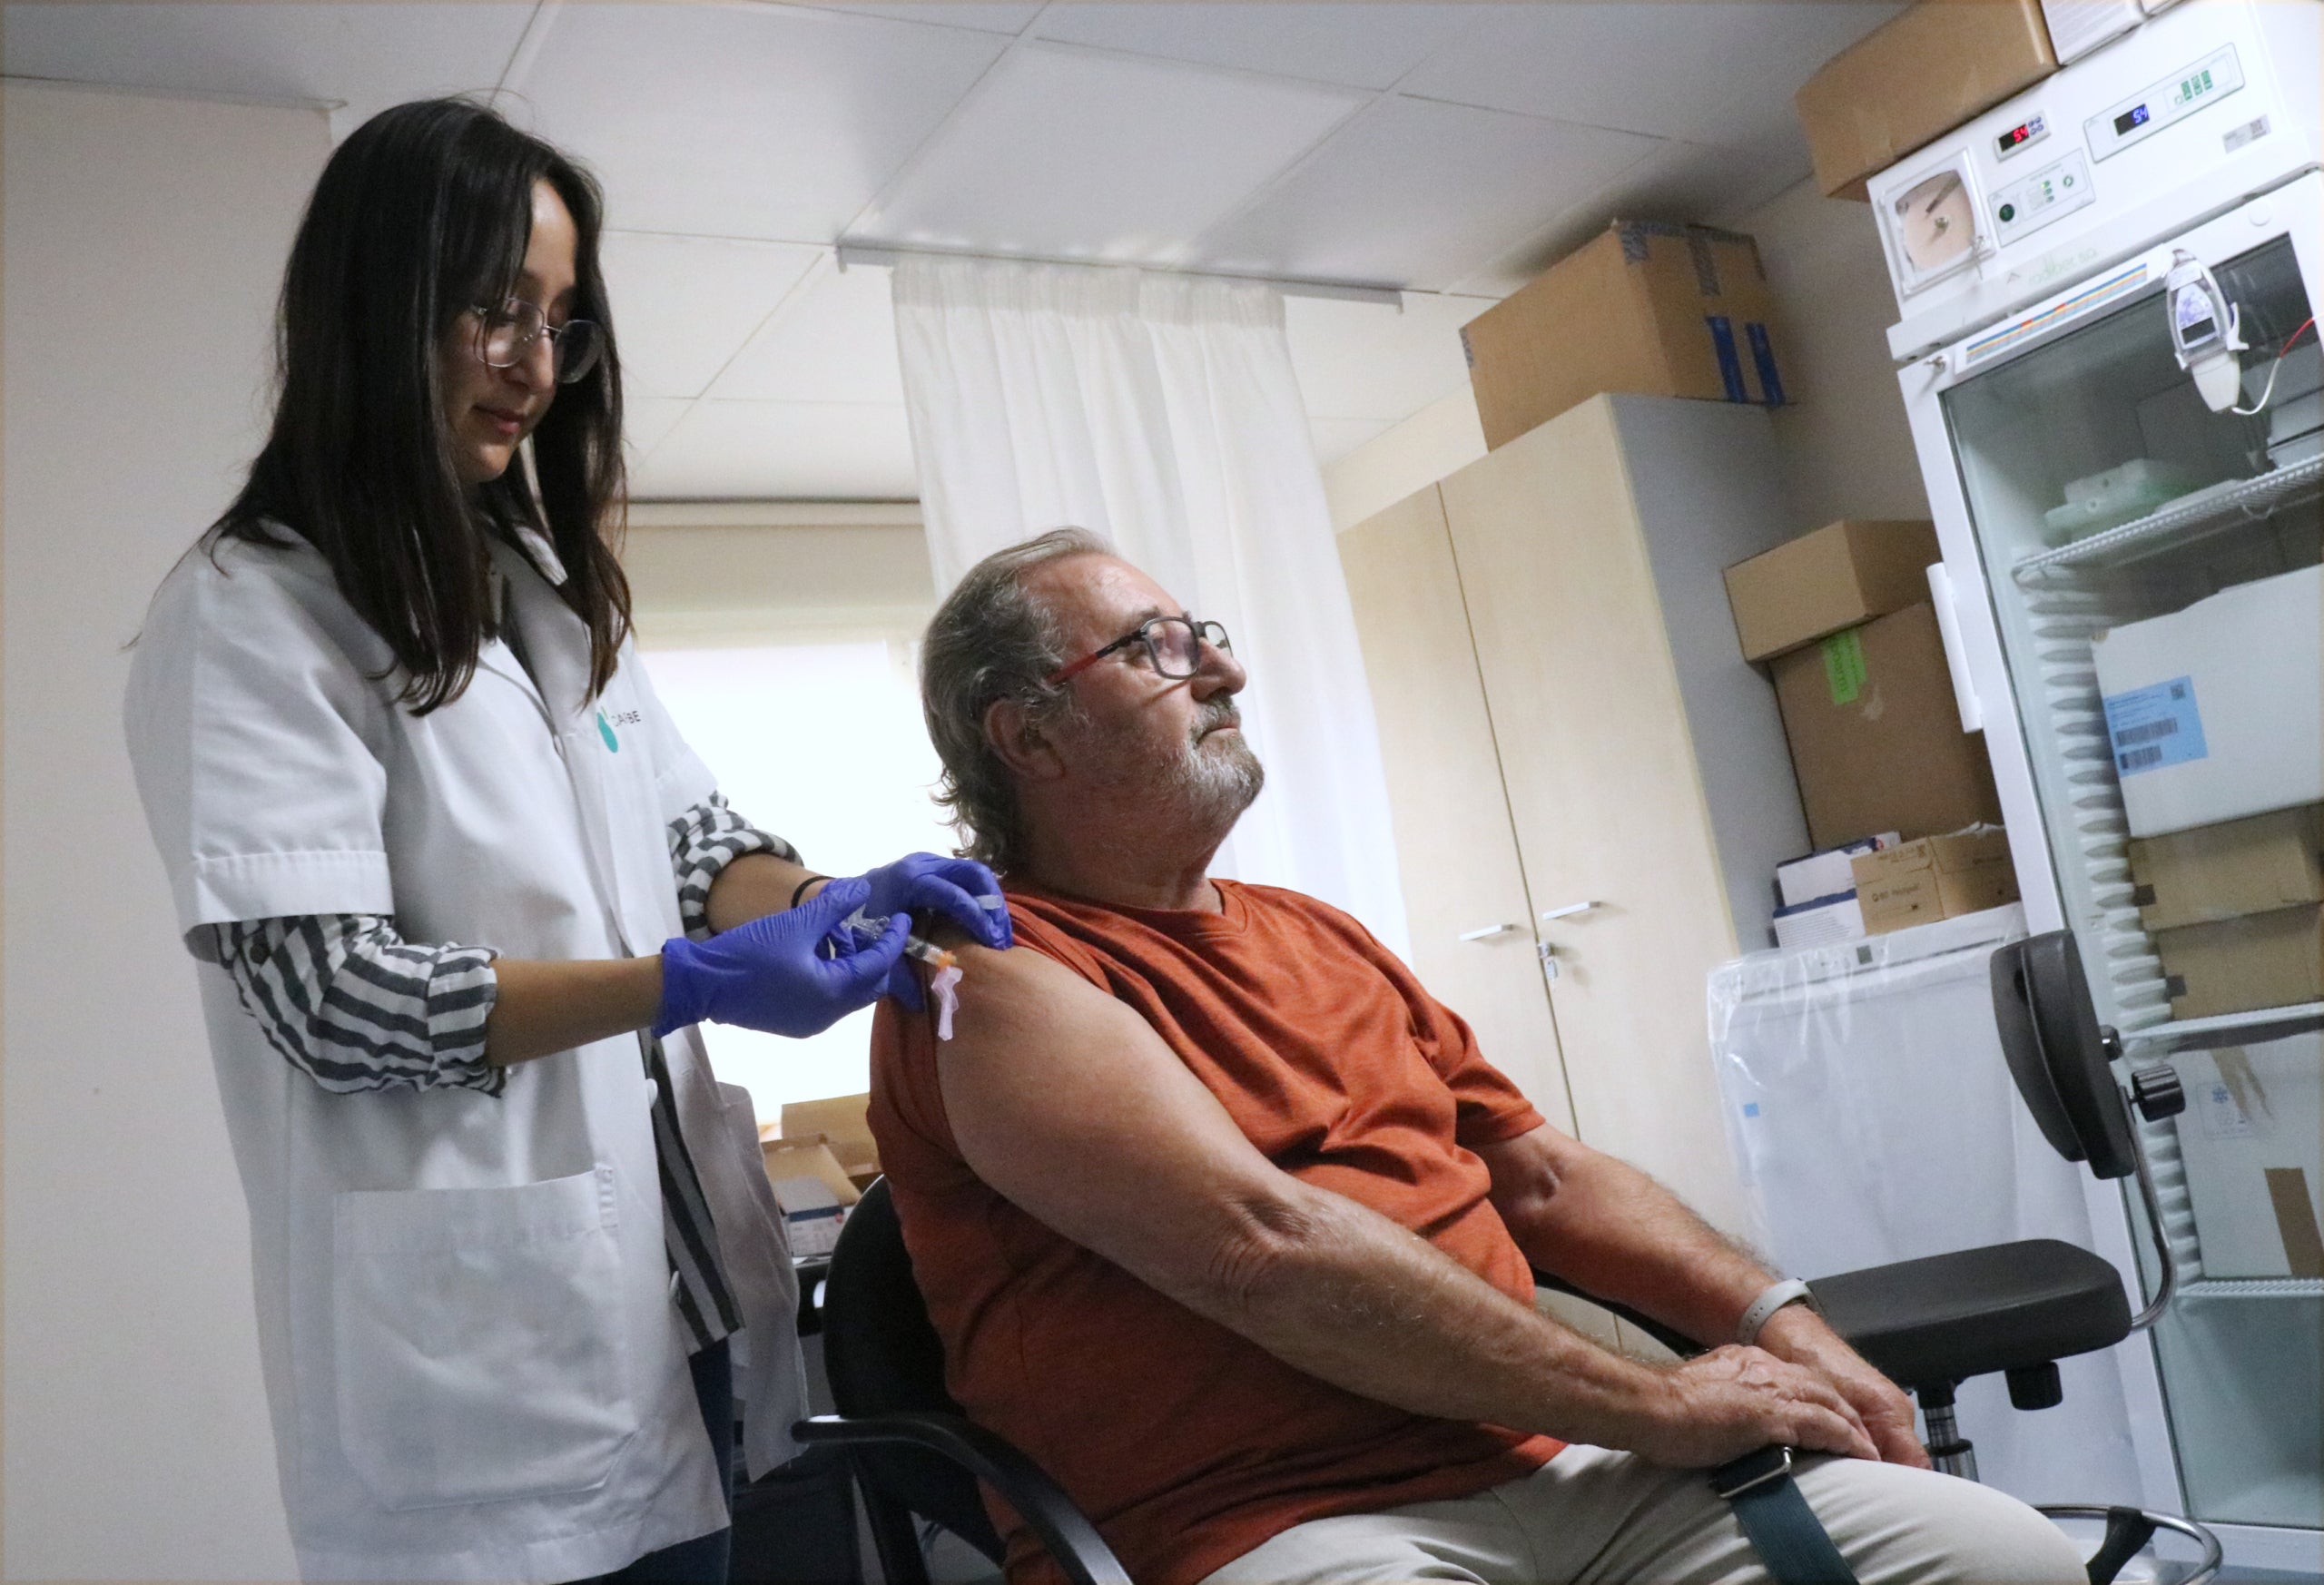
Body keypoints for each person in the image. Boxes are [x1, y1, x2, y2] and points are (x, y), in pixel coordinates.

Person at [123, 98, 1009, 1584]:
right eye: (491, 308)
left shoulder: (538, 587)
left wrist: (815, 896)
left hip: (674, 1331)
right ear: (371, 302)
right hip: (478, 1406)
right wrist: (686, 983)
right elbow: (335, 1001)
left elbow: (691, 832)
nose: (534, 360)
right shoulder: (250, 613)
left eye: (558, 317)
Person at [865, 528, 2089, 1585]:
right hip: (1263, 1522)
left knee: (2010, 1559)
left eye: (1209, 635)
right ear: (1031, 736)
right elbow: (1265, 1250)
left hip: (1555, 1466)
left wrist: (1781, 1318)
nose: (1226, 670)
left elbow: (1543, 1179)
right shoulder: (985, 975)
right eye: (1156, 647)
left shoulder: (1313, 931)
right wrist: (1660, 1401)